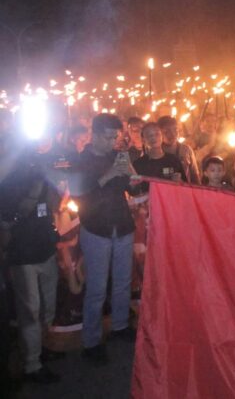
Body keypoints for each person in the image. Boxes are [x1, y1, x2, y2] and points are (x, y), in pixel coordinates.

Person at [71, 114, 139, 365]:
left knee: (123, 281)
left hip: (121, 225)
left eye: (115, 137)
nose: (113, 142)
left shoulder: (117, 156)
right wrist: (107, 175)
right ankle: (91, 341)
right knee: (97, 288)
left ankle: (120, 325)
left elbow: (132, 187)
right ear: (96, 134)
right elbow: (79, 195)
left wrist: (131, 172)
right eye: (109, 137)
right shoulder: (81, 160)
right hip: (96, 228)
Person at [0, 139, 63, 383]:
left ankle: (41, 348)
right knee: (30, 310)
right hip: (23, 253)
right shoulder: (8, 179)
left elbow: (54, 206)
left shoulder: (44, 174)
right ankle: (32, 364)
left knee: (48, 306)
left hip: (45, 247)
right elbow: (6, 217)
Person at [158, 116, 200, 184]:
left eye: (175, 130)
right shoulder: (156, 152)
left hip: (185, 189)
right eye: (167, 131)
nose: (172, 134)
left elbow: (194, 175)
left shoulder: (186, 150)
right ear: (159, 133)